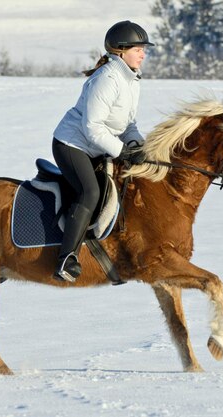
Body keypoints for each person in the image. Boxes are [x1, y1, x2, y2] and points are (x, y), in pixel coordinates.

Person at [51, 20, 153, 282]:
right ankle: (67, 258)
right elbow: (92, 127)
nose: (143, 53)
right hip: (72, 144)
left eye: (144, 49)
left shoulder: (132, 80)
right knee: (90, 191)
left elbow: (127, 124)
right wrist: (121, 151)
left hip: (97, 147)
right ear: (120, 51)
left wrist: (136, 145)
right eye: (138, 48)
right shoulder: (108, 78)